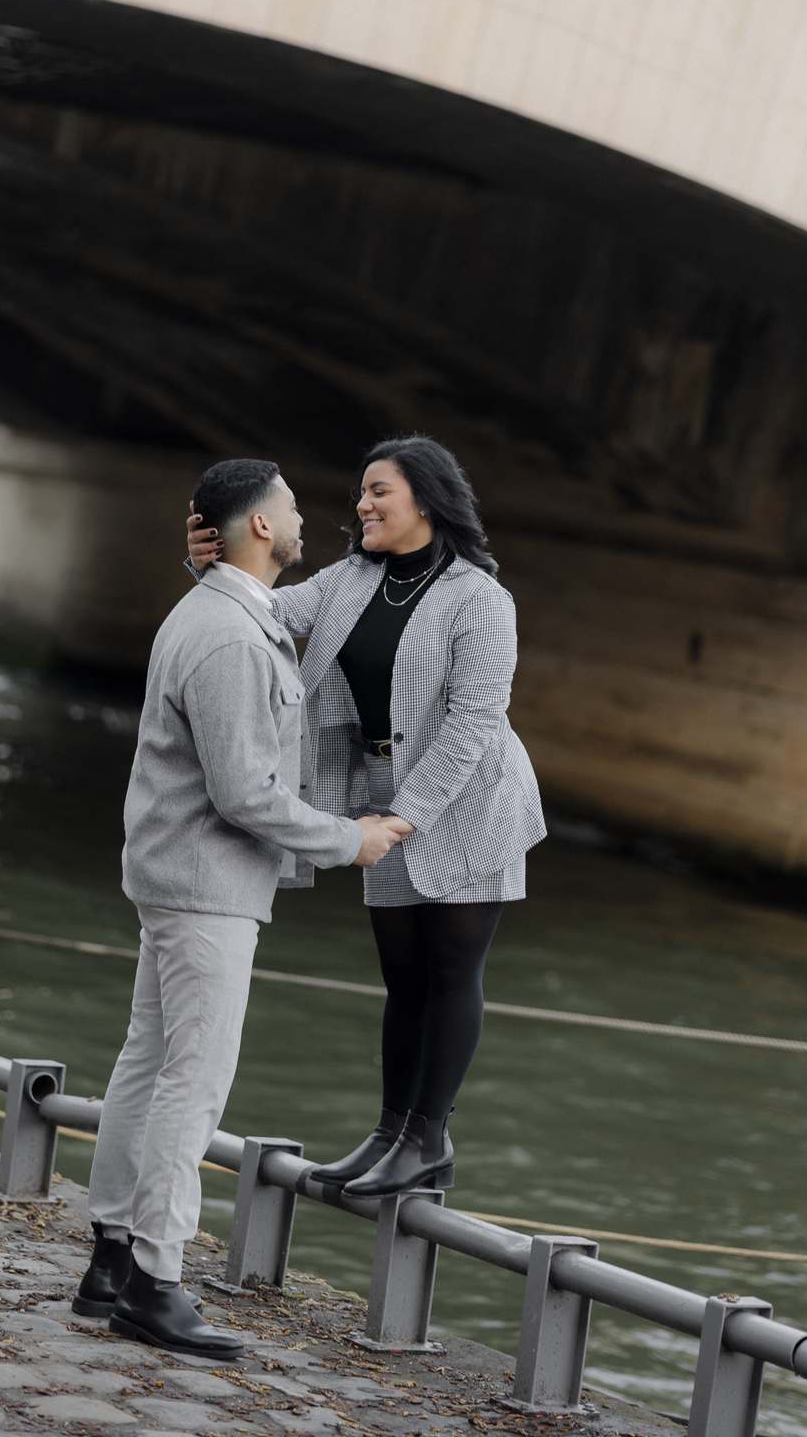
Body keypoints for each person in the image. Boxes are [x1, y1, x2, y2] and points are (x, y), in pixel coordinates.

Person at [76, 458, 403, 1358]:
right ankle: (155, 1280)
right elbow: (244, 793)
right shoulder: (228, 634)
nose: (304, 519)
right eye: (290, 508)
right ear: (260, 525)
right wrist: (347, 839)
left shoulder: (215, 610)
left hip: (180, 877)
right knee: (195, 1079)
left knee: (148, 1062)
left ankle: (110, 1262)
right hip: (206, 885)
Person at [187, 435, 546, 1199]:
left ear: (426, 497)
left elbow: (473, 724)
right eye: (361, 492)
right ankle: (388, 1134)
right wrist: (208, 568)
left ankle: (428, 1141)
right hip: (383, 794)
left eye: (379, 491)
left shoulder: (481, 599)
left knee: (451, 972)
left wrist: (405, 818)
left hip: (470, 799)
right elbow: (262, 614)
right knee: (402, 977)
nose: (362, 505)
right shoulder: (350, 577)